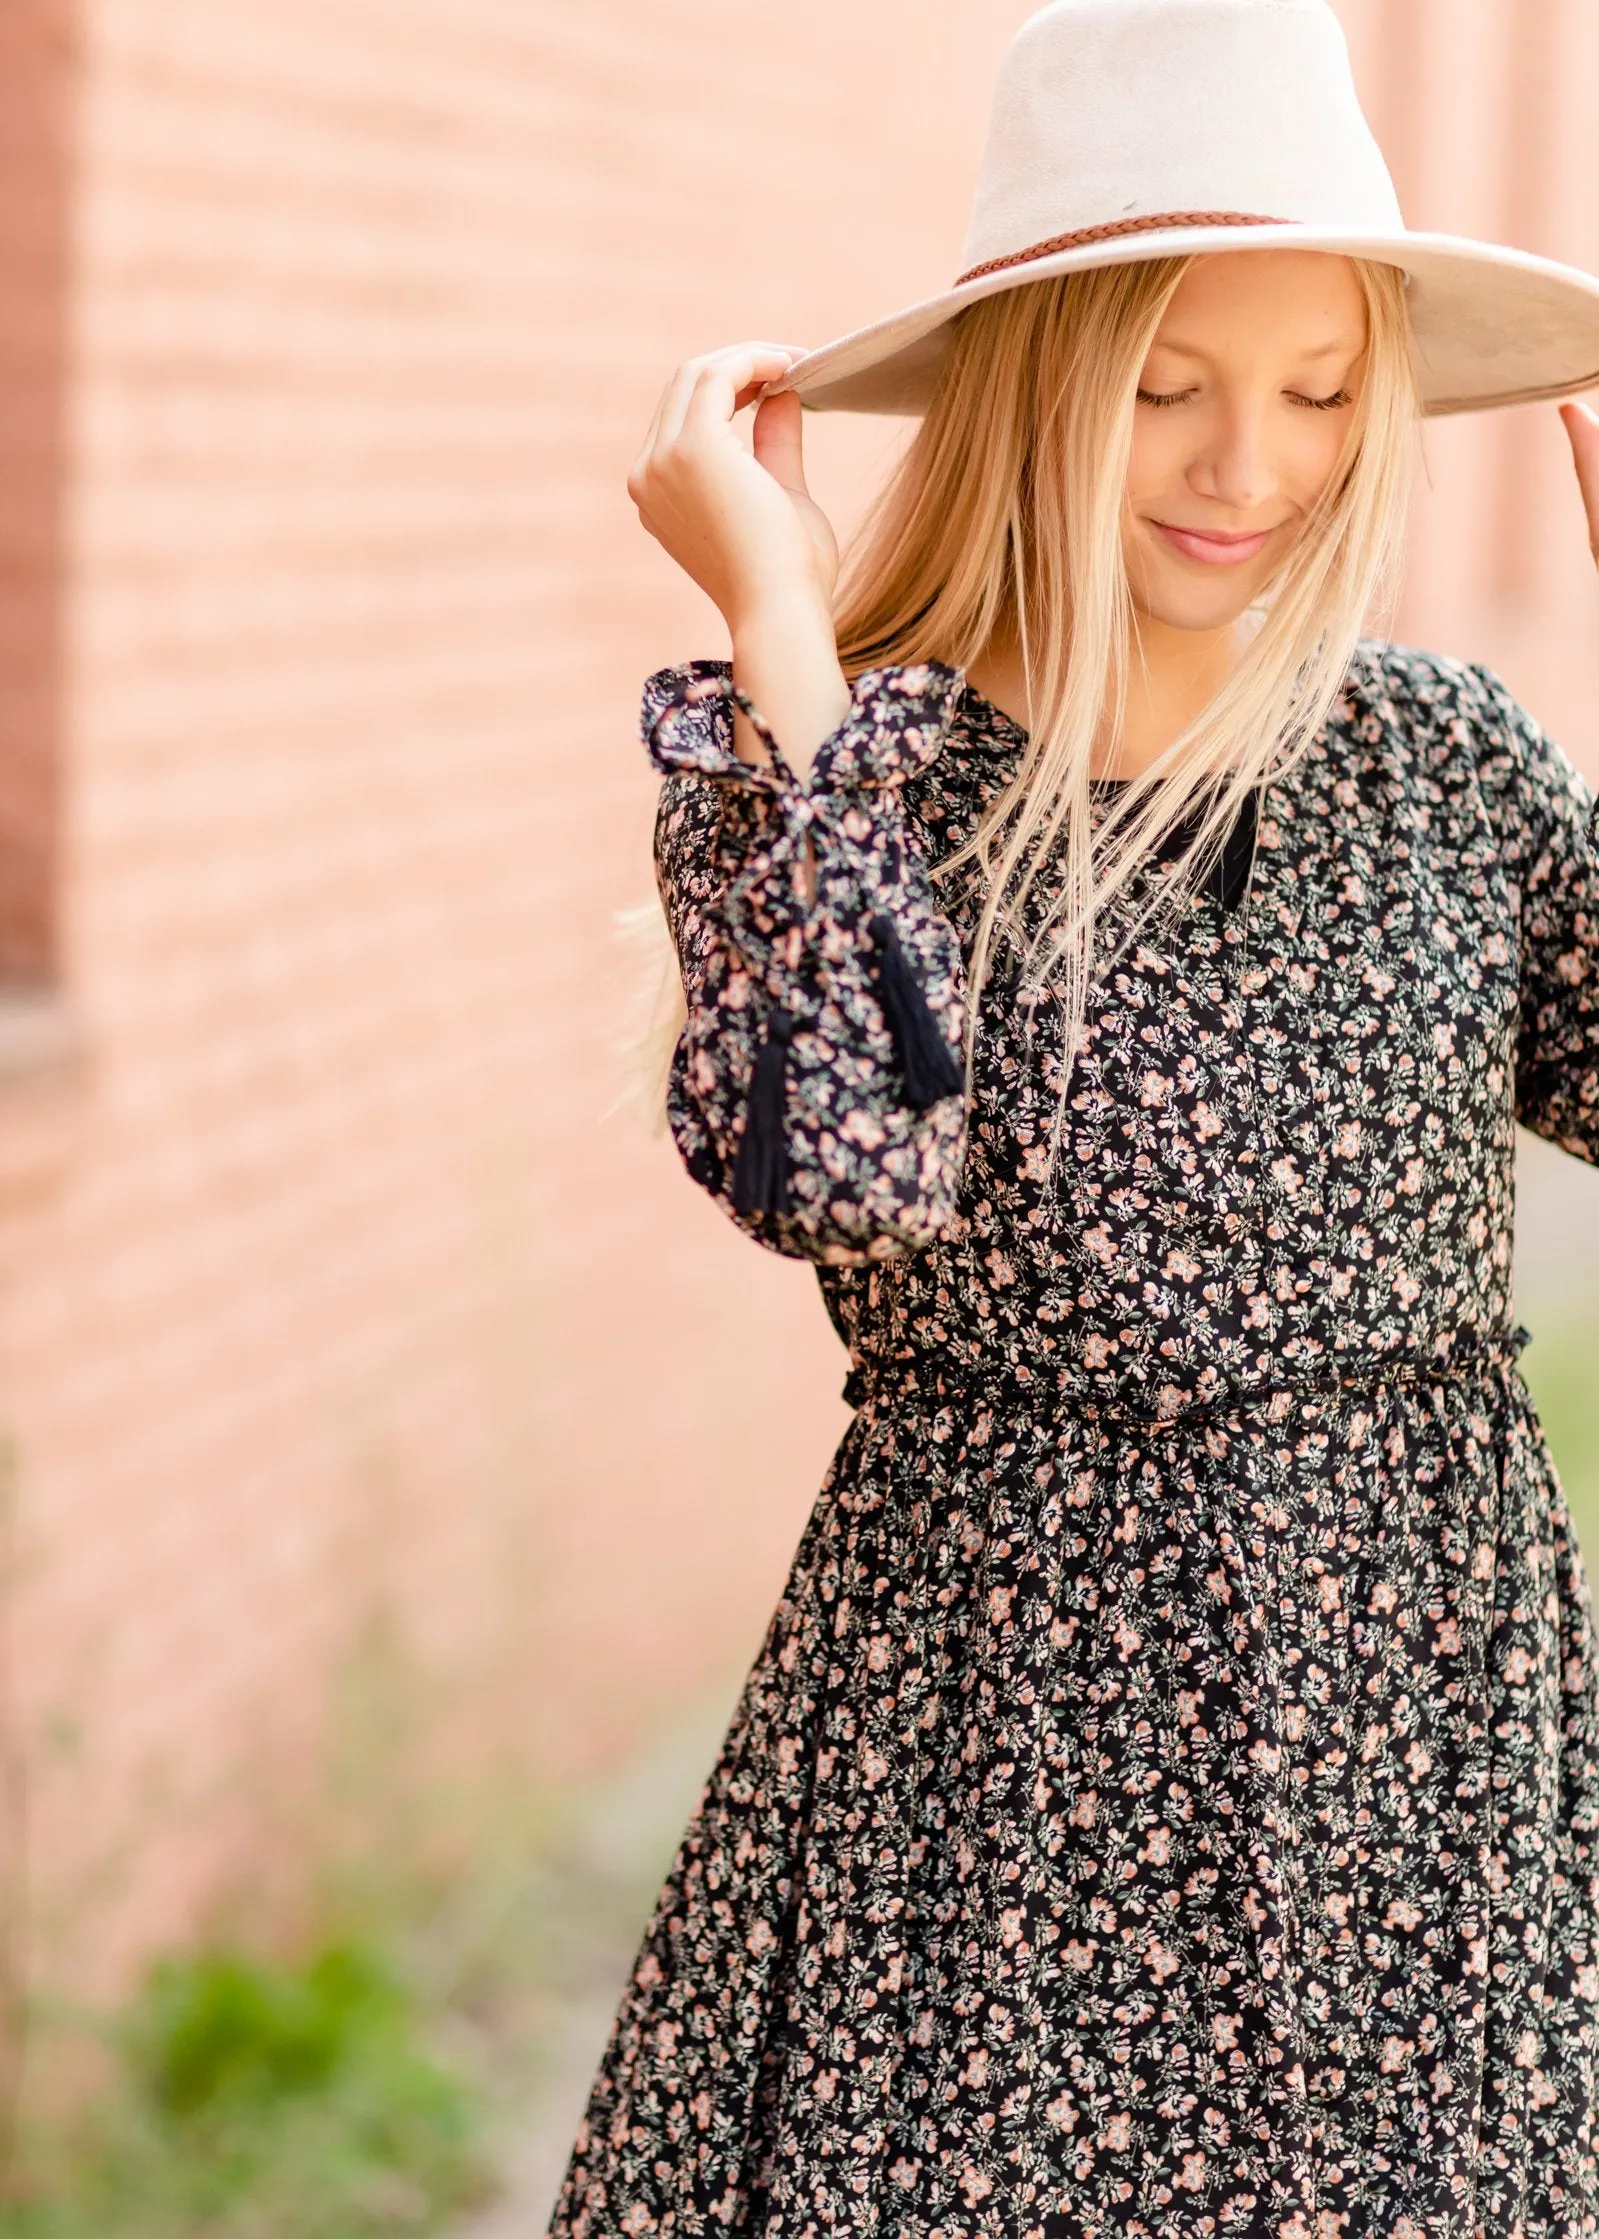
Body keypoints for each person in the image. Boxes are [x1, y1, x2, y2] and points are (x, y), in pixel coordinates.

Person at [552, 2, 1599, 2232]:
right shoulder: (869, 778)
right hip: (1010, 1791)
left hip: (1410, 1796)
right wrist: (774, 628)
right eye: (1167, 387)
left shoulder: (1441, 765)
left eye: (1319, 392)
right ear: (1039, 384)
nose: (1251, 467)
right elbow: (840, 1164)